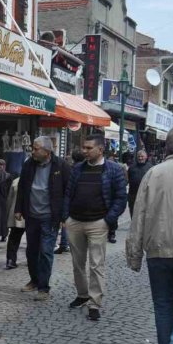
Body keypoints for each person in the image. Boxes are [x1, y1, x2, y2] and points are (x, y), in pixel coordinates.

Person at [126, 129, 173, 344]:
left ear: (167, 148)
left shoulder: (154, 173)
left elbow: (138, 214)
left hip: (158, 250)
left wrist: (134, 254)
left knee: (163, 305)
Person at [61, 133, 127, 321]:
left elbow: (120, 198)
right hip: (75, 221)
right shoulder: (77, 168)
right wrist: (65, 217)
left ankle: (94, 303)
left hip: (98, 222)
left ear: (100, 149)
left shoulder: (114, 170)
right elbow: (68, 193)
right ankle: (82, 295)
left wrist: (108, 220)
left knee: (96, 264)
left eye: (89, 148)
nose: (84, 151)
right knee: (77, 263)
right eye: (84, 147)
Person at [15, 136, 70, 301]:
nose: (32, 151)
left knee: (46, 251)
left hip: (50, 217)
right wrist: (18, 208)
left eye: (36, 148)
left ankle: (43, 287)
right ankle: (34, 280)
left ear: (47, 151)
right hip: (31, 215)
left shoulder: (61, 166)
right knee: (31, 251)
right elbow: (22, 187)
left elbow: (68, 191)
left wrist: (64, 216)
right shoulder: (28, 164)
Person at [56, 149, 84, 254]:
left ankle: (64, 243)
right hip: (79, 199)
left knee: (66, 221)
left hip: (69, 198)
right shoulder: (84, 169)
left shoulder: (70, 168)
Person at [105, 151, 129, 243]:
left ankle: (112, 233)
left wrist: (121, 186)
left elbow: (125, 179)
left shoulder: (120, 167)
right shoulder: (103, 167)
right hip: (105, 195)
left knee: (113, 216)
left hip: (114, 195)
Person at [4, 176, 26, 269]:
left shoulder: (15, 181)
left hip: (16, 214)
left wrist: (7, 214)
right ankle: (32, 259)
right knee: (33, 239)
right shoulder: (36, 180)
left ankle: (10, 260)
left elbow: (9, 200)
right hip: (30, 214)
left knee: (13, 238)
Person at [127, 149, 152, 217]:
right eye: (139, 156)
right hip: (133, 195)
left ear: (146, 157)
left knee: (144, 214)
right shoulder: (132, 167)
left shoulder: (150, 168)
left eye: (142, 156)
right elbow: (128, 179)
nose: (140, 158)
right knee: (133, 213)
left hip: (145, 195)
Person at [0, 158, 13, 242]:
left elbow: (9, 189)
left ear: (4, 166)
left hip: (4, 199)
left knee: (3, 217)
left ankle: (4, 234)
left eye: (1, 164)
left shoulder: (8, 176)